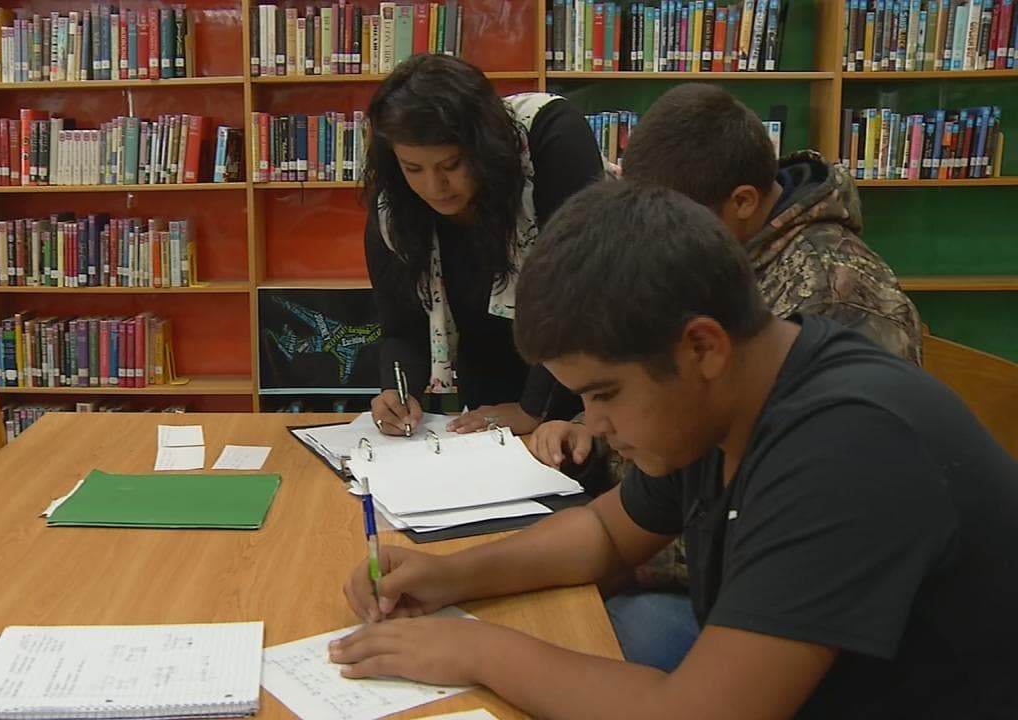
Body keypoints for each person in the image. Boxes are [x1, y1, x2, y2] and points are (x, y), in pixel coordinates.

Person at [332, 181, 1018, 719]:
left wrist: (474, 647)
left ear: (701, 347)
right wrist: (446, 577)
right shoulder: (723, 399)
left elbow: (697, 714)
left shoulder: (849, 445)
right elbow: (605, 533)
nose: (594, 423)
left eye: (603, 395)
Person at [526, 84, 925, 611]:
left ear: (742, 202)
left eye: (672, 218)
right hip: (652, 518)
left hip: (724, 579)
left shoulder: (838, 299)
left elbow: (800, 525)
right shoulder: (703, 271)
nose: (649, 241)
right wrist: (585, 431)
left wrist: (618, 565)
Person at [363, 54, 603, 437]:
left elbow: (579, 295)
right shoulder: (395, 209)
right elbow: (402, 327)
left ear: (484, 145)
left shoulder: (548, 136)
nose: (434, 187)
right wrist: (397, 390)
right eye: (414, 169)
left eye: (451, 164)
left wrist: (532, 410)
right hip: (493, 393)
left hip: (592, 389)